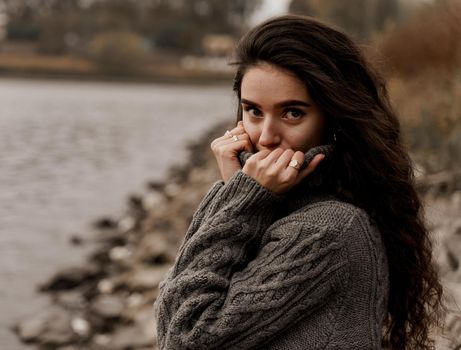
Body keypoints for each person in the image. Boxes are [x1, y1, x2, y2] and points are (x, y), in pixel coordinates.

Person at [154, 15, 444, 350]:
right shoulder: (289, 205)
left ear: (334, 117)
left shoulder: (326, 229)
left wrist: (239, 198)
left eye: (292, 113)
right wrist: (239, 190)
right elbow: (176, 312)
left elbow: (184, 336)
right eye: (253, 111)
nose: (266, 137)